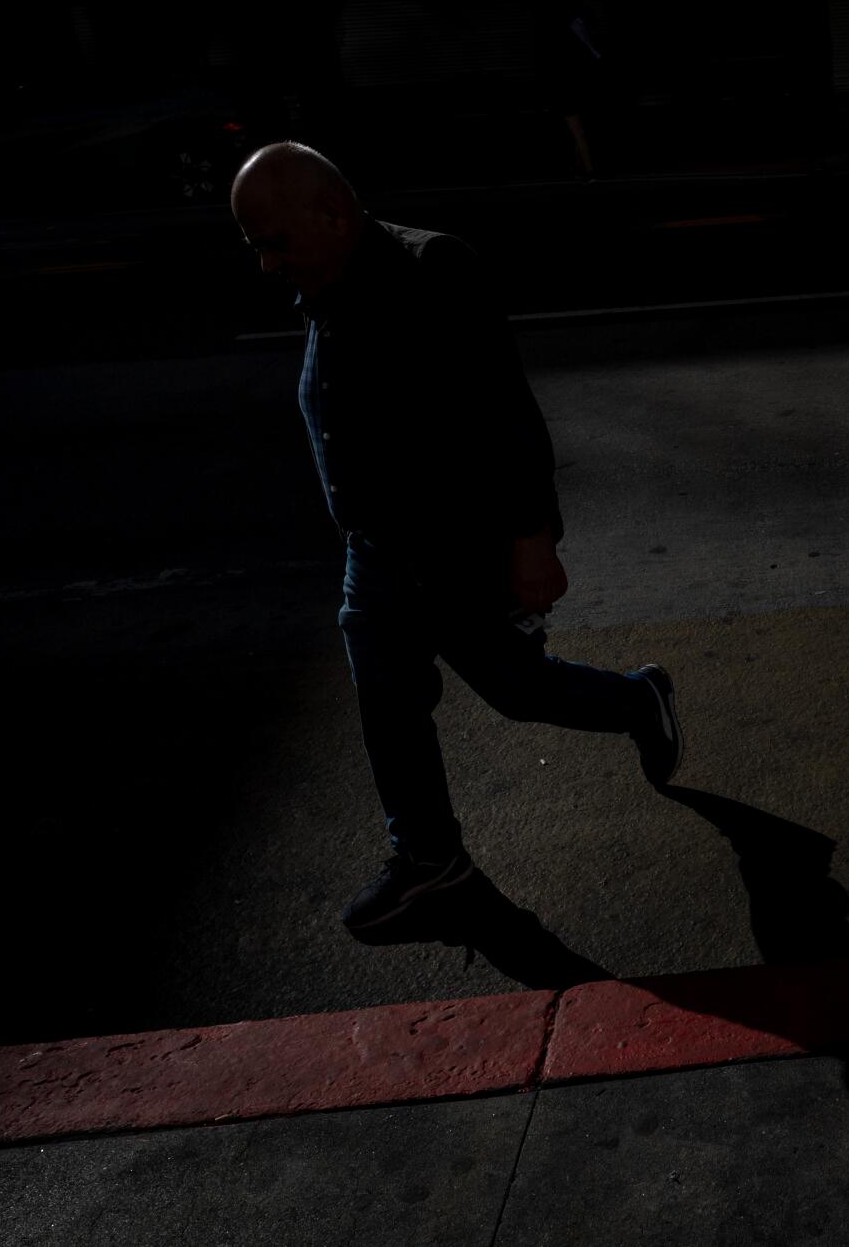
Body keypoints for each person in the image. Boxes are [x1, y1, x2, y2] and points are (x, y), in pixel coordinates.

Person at [228, 141, 684, 934]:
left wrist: (532, 537)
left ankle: (638, 699)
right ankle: (431, 860)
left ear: (333, 213)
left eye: (275, 242)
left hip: (454, 555)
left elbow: (505, 411)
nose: (267, 265)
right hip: (375, 558)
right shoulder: (324, 280)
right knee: (388, 703)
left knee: (519, 690)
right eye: (254, 246)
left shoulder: (430, 270)